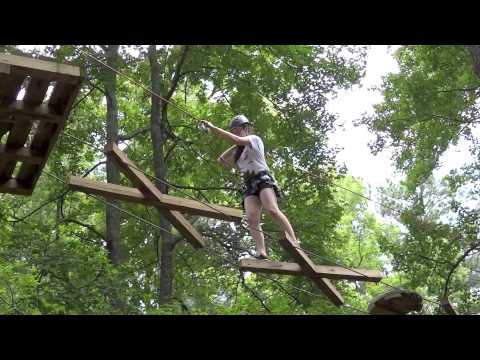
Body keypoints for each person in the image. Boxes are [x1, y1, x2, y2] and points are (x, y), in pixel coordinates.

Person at [200, 115, 299, 260]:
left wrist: (213, 128)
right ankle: (261, 252)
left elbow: (238, 140)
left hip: (262, 178)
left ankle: (294, 241)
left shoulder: (254, 139)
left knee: (272, 210)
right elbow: (221, 160)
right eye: (233, 131)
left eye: (238, 130)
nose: (236, 133)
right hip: (249, 184)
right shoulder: (239, 151)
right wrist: (236, 145)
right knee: (252, 218)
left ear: (245, 128)